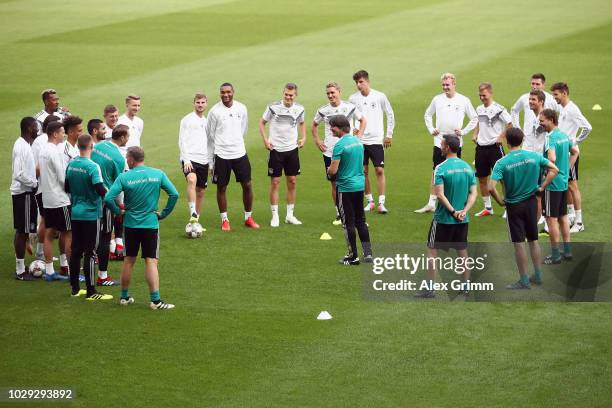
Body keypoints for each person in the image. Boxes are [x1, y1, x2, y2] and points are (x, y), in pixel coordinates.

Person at [105, 146, 179, 310]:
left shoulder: (124, 177)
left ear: (131, 159)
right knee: (151, 261)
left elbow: (109, 197)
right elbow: (174, 194)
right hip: (150, 224)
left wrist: (118, 211)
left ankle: (124, 297)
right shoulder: (157, 174)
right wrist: (164, 214)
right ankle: (155, 301)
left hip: (130, 224)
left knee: (128, 261)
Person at [489, 128, 559, 289]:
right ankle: (538, 275)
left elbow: (491, 187)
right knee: (533, 240)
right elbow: (554, 169)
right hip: (532, 204)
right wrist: (542, 187)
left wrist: (500, 202)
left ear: (507, 141)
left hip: (514, 206)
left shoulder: (502, 162)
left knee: (519, 243)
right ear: (522, 140)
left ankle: (524, 280)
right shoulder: (534, 156)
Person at [417, 135, 477, 298]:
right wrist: (464, 211)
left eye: (442, 144)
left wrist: (453, 212)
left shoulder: (441, 168)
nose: (440, 147)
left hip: (444, 218)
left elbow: (440, 195)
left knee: (432, 251)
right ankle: (466, 287)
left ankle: (430, 288)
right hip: (462, 219)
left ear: (448, 147)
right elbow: (473, 193)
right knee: (462, 252)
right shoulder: (467, 168)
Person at [417, 73, 477, 213]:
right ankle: (432, 203)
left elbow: (474, 118)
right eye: (443, 85)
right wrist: (432, 129)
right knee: (436, 170)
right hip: (439, 142)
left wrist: (463, 131)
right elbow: (427, 114)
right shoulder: (437, 99)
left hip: (456, 143)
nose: (445, 87)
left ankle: (455, 200)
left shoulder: (463, 100)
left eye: (448, 85)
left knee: (456, 172)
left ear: (454, 84)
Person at [206, 83, 259, 231]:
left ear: (233, 92)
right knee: (222, 187)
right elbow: (209, 137)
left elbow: (243, 129)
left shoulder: (241, 108)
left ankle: (248, 217)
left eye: (228, 92)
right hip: (221, 155)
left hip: (239, 153)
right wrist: (210, 162)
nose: (225, 95)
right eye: (223, 92)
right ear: (220, 93)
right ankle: (225, 220)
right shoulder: (214, 112)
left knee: (247, 185)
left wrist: (235, 142)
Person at [65, 134, 112, 300]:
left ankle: (75, 289)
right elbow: (99, 188)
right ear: (91, 147)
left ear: (79, 147)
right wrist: (110, 195)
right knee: (91, 252)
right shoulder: (93, 166)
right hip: (91, 214)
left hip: (76, 212)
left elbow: (67, 187)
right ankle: (91, 292)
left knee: (76, 250)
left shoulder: (71, 164)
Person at [312, 82, 366, 224]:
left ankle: (354, 212)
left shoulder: (349, 107)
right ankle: (339, 213)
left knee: (351, 178)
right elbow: (314, 125)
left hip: (348, 150)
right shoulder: (323, 110)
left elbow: (362, 120)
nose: (330, 95)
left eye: (332, 92)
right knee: (334, 183)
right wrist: (318, 141)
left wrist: (359, 136)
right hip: (330, 151)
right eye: (328, 93)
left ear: (339, 92)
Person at [326, 116, 371, 265]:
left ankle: (353, 257)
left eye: (332, 127)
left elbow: (333, 170)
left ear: (339, 127)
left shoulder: (339, 145)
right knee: (361, 221)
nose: (331, 129)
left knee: (348, 223)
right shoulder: (358, 141)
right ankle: (368, 254)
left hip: (345, 188)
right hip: (359, 186)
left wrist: (329, 171)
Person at [348, 70, 395, 214]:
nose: (358, 85)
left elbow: (390, 114)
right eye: (356, 82)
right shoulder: (353, 99)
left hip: (376, 139)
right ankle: (370, 201)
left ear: (367, 81)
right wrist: (352, 129)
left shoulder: (380, 96)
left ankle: (381, 202)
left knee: (379, 170)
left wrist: (388, 134)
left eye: (361, 82)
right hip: (360, 140)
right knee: (363, 171)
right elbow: (348, 117)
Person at [259, 83, 306, 227]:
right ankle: (275, 216)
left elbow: (302, 123)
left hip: (292, 149)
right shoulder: (273, 107)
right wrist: (266, 140)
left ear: (295, 95)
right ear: (283, 93)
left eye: (291, 95)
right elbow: (262, 123)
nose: (288, 97)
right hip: (276, 150)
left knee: (292, 181)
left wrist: (304, 137)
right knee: (275, 182)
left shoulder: (299, 109)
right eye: (286, 94)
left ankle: (290, 215)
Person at [551, 82, 592, 233]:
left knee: (573, 186)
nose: (554, 97)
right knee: (566, 184)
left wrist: (574, 141)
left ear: (564, 93)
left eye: (556, 94)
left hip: (570, 154)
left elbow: (587, 127)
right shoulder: (563, 108)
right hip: (564, 153)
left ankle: (580, 222)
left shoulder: (572, 109)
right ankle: (572, 216)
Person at [91, 124, 130, 286]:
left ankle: (84, 272)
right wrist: (120, 206)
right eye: (128, 136)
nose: (128, 139)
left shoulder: (98, 145)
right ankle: (103, 276)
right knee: (106, 237)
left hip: (89, 197)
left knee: (89, 236)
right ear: (122, 138)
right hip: (105, 200)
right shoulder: (119, 159)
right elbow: (119, 186)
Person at [539, 109, 579, 265]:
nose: (540, 123)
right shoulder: (563, 135)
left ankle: (555, 255)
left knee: (551, 220)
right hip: (562, 183)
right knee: (563, 217)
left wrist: (543, 184)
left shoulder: (550, 138)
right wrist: (566, 169)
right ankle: (567, 251)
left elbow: (552, 159)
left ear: (550, 119)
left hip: (552, 185)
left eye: (542, 120)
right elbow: (574, 152)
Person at [472, 82, 511, 217]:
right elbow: (478, 122)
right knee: (482, 178)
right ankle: (488, 207)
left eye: (484, 95)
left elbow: (510, 124)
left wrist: (501, 136)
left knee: (502, 179)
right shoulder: (479, 109)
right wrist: (475, 133)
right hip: (481, 148)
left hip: (495, 148)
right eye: (480, 95)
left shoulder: (499, 109)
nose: (482, 98)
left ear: (490, 93)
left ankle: (508, 207)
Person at [38, 121, 71, 281]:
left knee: (49, 233)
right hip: (60, 199)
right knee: (69, 232)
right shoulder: (56, 152)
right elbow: (62, 177)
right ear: (55, 134)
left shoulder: (43, 150)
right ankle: (72, 270)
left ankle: (50, 271)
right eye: (62, 132)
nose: (64, 134)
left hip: (47, 198)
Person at [11, 117, 39, 280]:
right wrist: (34, 183)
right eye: (35, 127)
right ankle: (20, 271)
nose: (37, 130)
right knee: (22, 231)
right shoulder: (22, 147)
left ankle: (21, 267)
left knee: (24, 229)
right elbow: (19, 174)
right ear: (29, 128)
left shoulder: (24, 144)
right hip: (24, 193)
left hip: (24, 193)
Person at [179, 92, 211, 224]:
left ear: (206, 104)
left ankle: (196, 220)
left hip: (204, 159)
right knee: (192, 179)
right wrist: (186, 159)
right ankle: (192, 213)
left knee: (201, 190)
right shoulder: (187, 119)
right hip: (190, 158)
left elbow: (211, 142)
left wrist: (211, 163)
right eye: (198, 102)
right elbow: (182, 140)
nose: (200, 105)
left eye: (203, 102)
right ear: (194, 103)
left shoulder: (207, 121)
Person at [32, 115, 61, 260]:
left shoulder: (41, 141)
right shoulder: (44, 142)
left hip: (44, 187)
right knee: (45, 221)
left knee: (47, 221)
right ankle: (40, 252)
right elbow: (38, 167)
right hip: (45, 188)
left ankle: (41, 251)